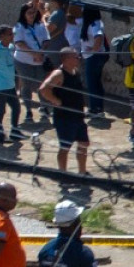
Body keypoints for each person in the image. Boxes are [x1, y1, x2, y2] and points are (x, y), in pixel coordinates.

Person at [39, 47, 90, 176]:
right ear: (66, 59)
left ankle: (82, 172)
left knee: (84, 143)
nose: (78, 59)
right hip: (64, 117)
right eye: (75, 57)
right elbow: (44, 89)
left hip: (78, 115)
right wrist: (57, 101)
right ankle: (63, 174)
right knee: (65, 147)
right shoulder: (59, 74)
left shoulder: (75, 71)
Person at [11, 3, 49, 130]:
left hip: (39, 60)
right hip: (24, 61)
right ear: (23, 14)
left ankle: (44, 107)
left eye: (33, 13)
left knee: (41, 84)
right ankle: (28, 110)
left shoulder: (40, 25)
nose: (32, 15)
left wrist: (40, 53)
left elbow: (46, 41)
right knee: (27, 84)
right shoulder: (19, 27)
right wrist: (33, 53)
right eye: (29, 13)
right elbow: (19, 43)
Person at [78, 5, 109, 119]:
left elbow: (98, 37)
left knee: (92, 83)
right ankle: (96, 107)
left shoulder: (95, 23)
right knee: (95, 82)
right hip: (91, 56)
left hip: (94, 57)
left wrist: (93, 49)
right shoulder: (91, 23)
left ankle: (96, 108)